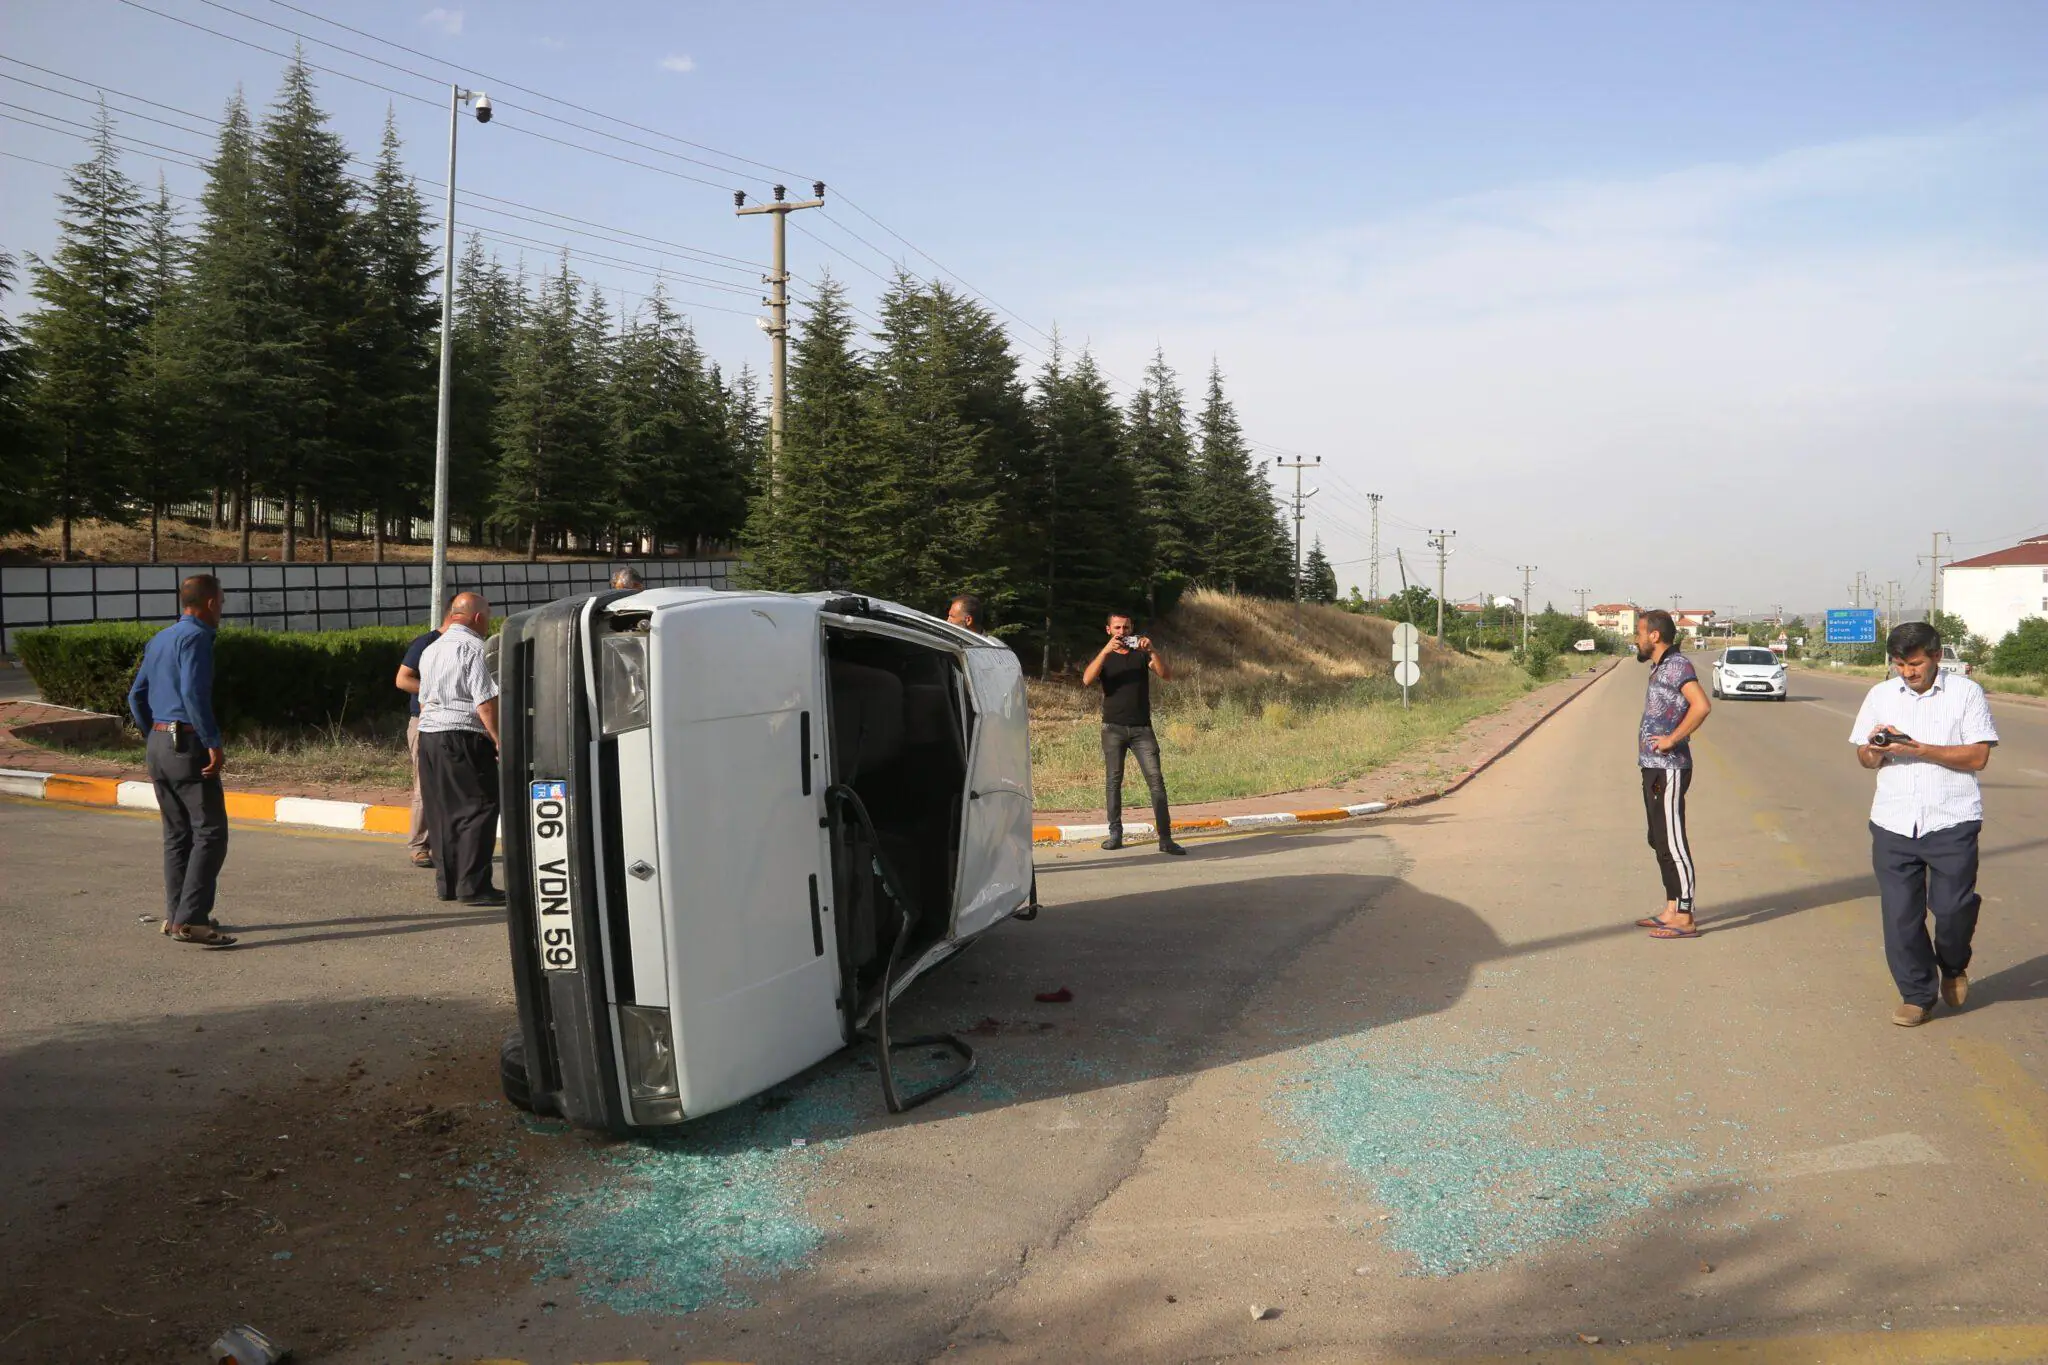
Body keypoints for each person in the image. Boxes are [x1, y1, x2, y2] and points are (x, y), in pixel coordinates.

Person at [1850, 621, 1998, 1028]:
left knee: (1952, 909)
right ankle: (1916, 995)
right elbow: (1863, 757)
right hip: (1892, 822)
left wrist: (1919, 749)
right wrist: (1875, 750)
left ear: (1935, 656)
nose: (1907, 672)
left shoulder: (1966, 693)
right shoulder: (1880, 695)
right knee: (1900, 917)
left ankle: (1953, 964)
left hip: (1952, 819)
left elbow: (1978, 757)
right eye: (1899, 664)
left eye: (1914, 664)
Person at [127, 574, 236, 947]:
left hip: (159, 743)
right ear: (210, 603)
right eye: (221, 603)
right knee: (211, 832)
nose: (221, 610)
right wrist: (211, 741)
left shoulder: (160, 638)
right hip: (186, 743)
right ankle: (191, 921)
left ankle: (176, 916)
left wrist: (155, 733)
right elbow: (193, 693)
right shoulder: (197, 638)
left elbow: (136, 695)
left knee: (177, 835)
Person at [416, 592, 505, 906]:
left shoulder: (431, 649)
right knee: (480, 806)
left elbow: (423, 699)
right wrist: (499, 739)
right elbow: (485, 702)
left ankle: (448, 884)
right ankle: (474, 886)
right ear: (478, 618)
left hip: (429, 736)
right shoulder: (475, 648)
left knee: (442, 810)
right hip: (463, 735)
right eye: (488, 617)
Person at [1633, 609, 1711, 938]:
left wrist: (1671, 739)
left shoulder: (1678, 665)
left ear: (1654, 635)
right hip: (1653, 767)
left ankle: (1685, 915)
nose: (1635, 639)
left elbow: (1701, 706)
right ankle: (1671, 907)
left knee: (1673, 841)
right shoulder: (1660, 666)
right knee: (1659, 839)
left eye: (1639, 633)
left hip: (1670, 767)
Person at [1081, 611, 1186, 856]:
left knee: (1156, 781)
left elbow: (1167, 675)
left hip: (1142, 729)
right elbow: (1086, 679)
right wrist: (1105, 651)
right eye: (1117, 628)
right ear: (1108, 630)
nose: (1122, 632)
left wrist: (1152, 650)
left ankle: (1165, 838)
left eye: (1126, 628)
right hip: (1113, 728)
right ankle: (1115, 834)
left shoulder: (1141, 654)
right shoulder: (1105, 656)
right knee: (1113, 782)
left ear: (1132, 628)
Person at [394, 611, 452, 870]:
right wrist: (436, 692)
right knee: (424, 785)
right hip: (425, 721)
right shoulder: (426, 643)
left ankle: (442, 844)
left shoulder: (465, 645)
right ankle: (419, 846)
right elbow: (402, 679)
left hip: (452, 723)